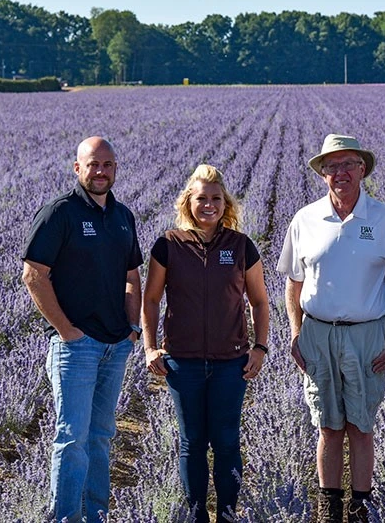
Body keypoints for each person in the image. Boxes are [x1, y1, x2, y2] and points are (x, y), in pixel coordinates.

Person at [277, 134, 385, 523]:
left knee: (361, 425)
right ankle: (330, 506)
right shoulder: (305, 219)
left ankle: (361, 506)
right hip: (317, 333)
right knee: (327, 426)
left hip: (367, 333)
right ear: (322, 175)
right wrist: (294, 332)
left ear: (363, 169)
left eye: (348, 164)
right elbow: (293, 282)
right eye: (332, 167)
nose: (340, 173)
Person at [21, 136, 143, 522]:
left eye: (107, 164)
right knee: (72, 439)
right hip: (76, 347)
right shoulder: (60, 212)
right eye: (93, 164)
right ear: (78, 168)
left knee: (101, 437)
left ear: (116, 169)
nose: (101, 171)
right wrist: (67, 331)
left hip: (114, 344)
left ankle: (96, 516)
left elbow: (132, 274)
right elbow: (34, 275)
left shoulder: (123, 215)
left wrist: (132, 328)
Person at [141, 164, 270, 523]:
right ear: (188, 202)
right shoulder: (168, 244)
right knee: (192, 442)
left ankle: (227, 514)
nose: (208, 205)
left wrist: (259, 348)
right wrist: (151, 348)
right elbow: (150, 299)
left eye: (216, 199)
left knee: (227, 441)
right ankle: (197, 515)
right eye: (201, 199)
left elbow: (260, 301)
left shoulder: (241, 246)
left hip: (231, 362)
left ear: (225, 203)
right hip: (183, 363)